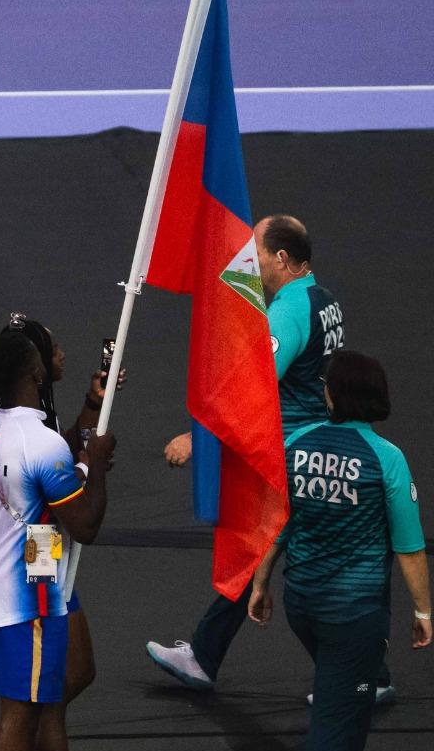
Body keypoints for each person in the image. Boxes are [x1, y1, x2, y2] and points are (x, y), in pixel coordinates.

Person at [145, 216, 388, 700]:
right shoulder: (325, 299)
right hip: (317, 443)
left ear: (281, 258)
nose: (248, 260)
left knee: (300, 565)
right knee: (263, 549)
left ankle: (369, 679)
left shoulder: (290, 311)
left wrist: (197, 438)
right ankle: (204, 656)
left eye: (256, 250)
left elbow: (252, 388)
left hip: (290, 456)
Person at [248, 352, 429, 751]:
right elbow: (409, 547)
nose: (322, 390)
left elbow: (277, 522)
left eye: (327, 384)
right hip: (354, 616)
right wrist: (424, 610)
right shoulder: (386, 458)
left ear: (337, 394)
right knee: (335, 722)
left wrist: (261, 581)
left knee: (354, 705)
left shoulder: (297, 443)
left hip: (302, 604)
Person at [0, 315, 118, 751]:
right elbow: (86, 524)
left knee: (51, 689)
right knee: (22, 711)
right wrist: (95, 466)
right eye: (53, 352)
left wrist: (89, 428)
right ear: (34, 371)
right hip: (24, 584)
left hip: (17, 566)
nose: (62, 355)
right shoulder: (40, 443)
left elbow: (38, 476)